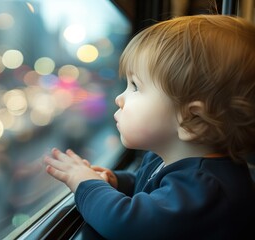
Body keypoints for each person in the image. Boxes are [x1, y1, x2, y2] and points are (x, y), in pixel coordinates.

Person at [44, 14, 255, 239]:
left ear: (192, 121)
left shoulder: (206, 190)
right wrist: (118, 182)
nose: (119, 98)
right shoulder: (165, 160)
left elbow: (125, 223)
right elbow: (153, 188)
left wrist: (85, 183)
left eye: (135, 86)